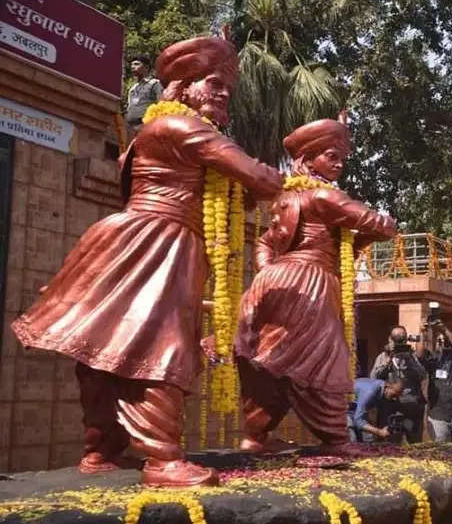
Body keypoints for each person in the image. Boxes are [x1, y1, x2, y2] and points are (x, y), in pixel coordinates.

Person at [11, 38, 282, 487]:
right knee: (160, 343)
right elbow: (259, 180)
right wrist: (285, 179)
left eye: (226, 89)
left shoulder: (158, 132)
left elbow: (242, 191)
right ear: (183, 86)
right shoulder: (179, 126)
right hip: (157, 241)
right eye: (213, 84)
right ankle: (161, 459)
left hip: (136, 240)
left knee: (106, 350)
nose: (223, 94)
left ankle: (100, 451)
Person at [234, 118, 397, 452]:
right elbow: (381, 225)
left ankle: (254, 435)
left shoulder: (286, 200)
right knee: (323, 358)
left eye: (341, 158)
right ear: (308, 160)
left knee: (273, 361)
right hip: (311, 284)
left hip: (276, 282)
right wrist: (376, 229)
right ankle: (336, 437)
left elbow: (264, 243)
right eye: (330, 155)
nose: (338, 163)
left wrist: (269, 273)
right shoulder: (324, 196)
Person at [370, 326, 428, 443]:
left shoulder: (412, 357)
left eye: (402, 338)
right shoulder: (383, 357)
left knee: (414, 444)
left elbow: (423, 375)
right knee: (390, 444)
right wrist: (389, 360)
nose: (399, 341)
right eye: (396, 338)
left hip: (411, 407)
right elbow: (374, 378)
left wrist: (410, 361)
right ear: (390, 339)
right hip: (390, 408)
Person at [421, 320, 452, 443]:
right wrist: (423, 332)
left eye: (445, 340)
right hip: (439, 417)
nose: (442, 343)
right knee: (440, 456)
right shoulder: (433, 360)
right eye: (439, 341)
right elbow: (420, 354)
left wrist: (443, 329)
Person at [124, 55, 163, 135]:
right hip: (130, 128)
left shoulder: (154, 84)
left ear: (146, 67)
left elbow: (161, 104)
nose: (133, 67)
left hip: (145, 126)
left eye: (136, 64)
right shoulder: (133, 88)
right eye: (132, 65)